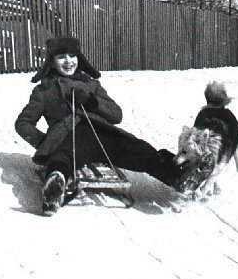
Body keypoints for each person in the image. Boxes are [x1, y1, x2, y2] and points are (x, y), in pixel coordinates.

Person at [15, 36, 183, 214]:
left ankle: (176, 174)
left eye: (72, 56)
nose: (68, 61)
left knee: (138, 149)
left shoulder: (91, 85)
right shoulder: (45, 91)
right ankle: (54, 188)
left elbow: (116, 115)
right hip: (71, 136)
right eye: (61, 57)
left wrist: (92, 102)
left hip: (102, 133)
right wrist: (46, 143)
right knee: (64, 157)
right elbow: (23, 123)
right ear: (51, 61)